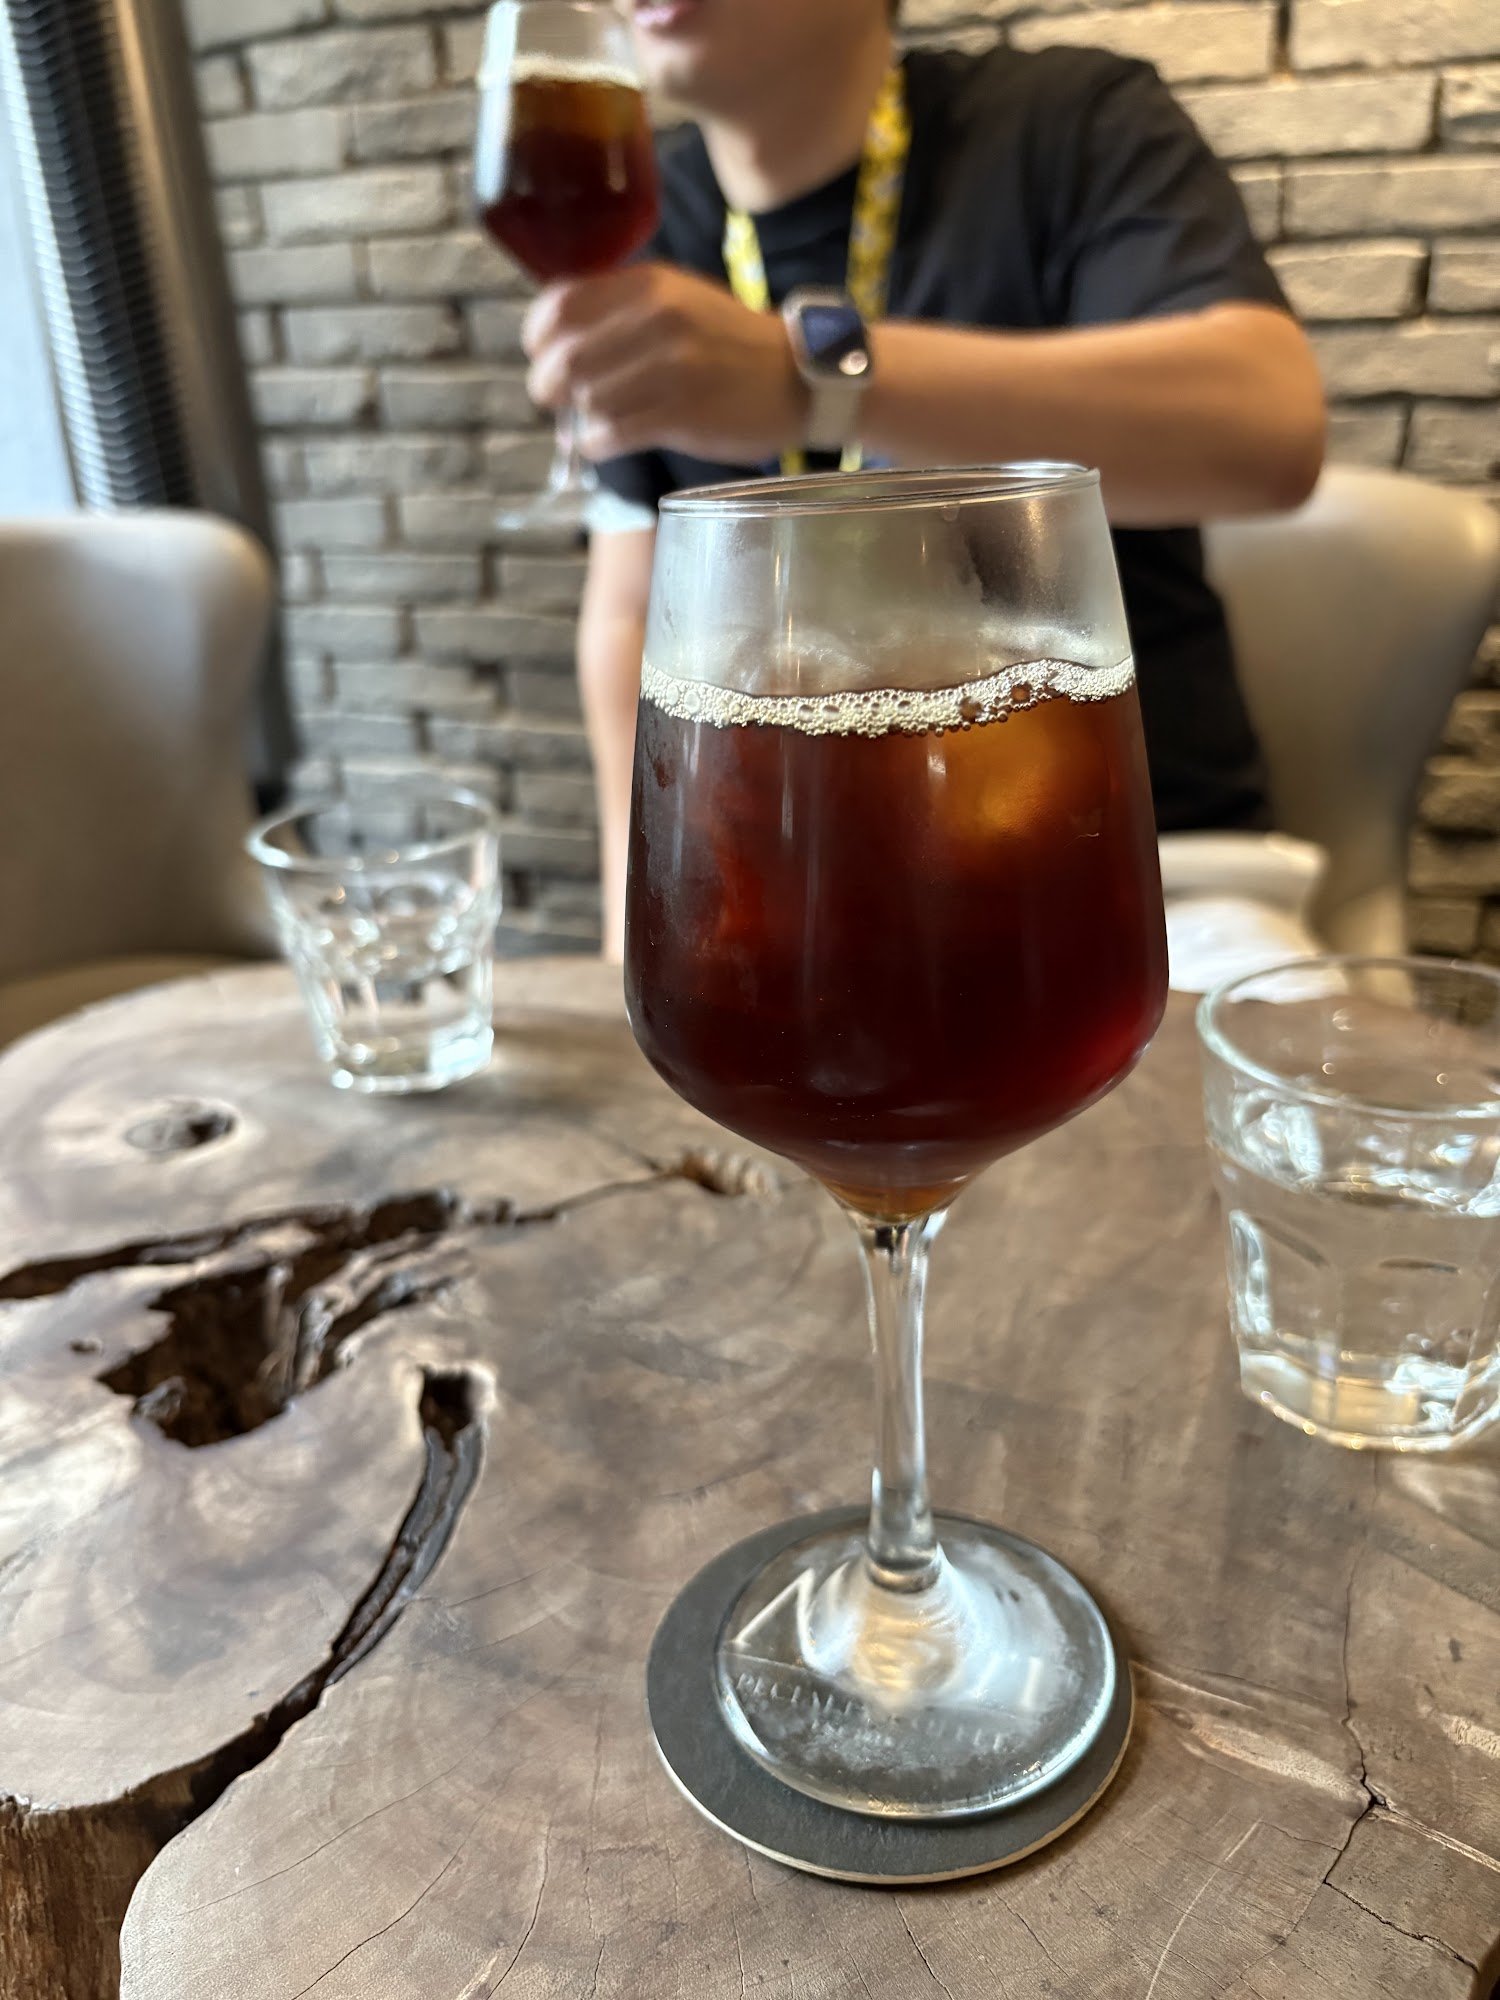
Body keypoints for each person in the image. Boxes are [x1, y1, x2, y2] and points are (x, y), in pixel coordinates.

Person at [521, 0, 1327, 960]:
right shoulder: (644, 224)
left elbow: (1271, 431)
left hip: (1139, 872)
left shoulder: (1068, 120)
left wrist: (809, 381)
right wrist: (642, 921)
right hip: (788, 886)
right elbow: (628, 613)